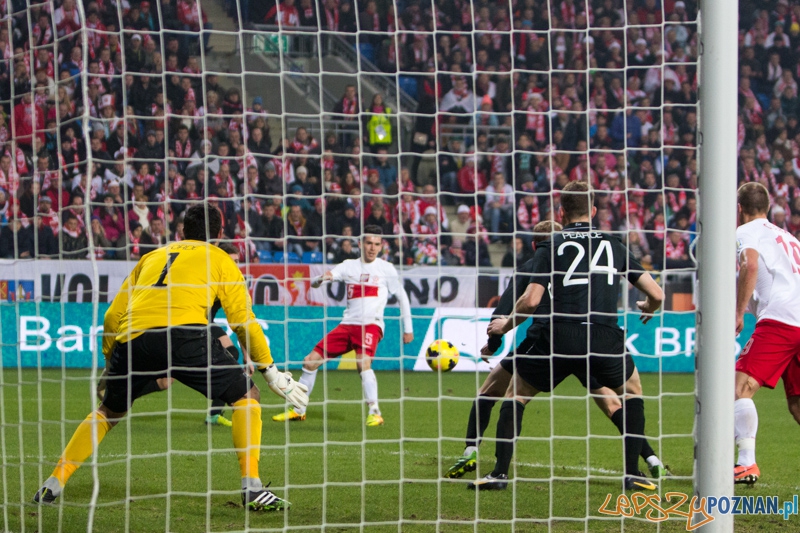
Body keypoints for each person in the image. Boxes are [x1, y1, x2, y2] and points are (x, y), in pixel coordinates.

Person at [34, 204, 308, 511]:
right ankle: (252, 488)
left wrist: (112, 359)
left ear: (182, 232)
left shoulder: (151, 257)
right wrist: (270, 372)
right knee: (247, 395)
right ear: (219, 234)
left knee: (108, 412)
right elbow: (243, 322)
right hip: (185, 336)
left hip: (132, 338)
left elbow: (112, 316)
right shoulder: (219, 258)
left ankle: (53, 483)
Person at [473, 182, 664, 491]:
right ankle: (632, 473)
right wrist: (649, 307)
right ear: (593, 210)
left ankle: (499, 475)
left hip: (558, 336)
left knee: (516, 395)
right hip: (603, 335)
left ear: (561, 212)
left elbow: (531, 301)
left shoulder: (552, 244)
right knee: (631, 392)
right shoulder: (614, 244)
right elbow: (657, 294)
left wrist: (505, 326)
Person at [272, 226, 413, 427]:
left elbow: (402, 297)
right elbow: (319, 281)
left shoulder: (386, 268)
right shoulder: (349, 266)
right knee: (310, 361)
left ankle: (375, 412)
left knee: (362, 363)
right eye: (369, 243)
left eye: (376, 244)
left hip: (371, 325)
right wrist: (322, 279)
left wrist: (408, 328)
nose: (372, 248)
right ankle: (298, 410)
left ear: (381, 246)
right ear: (360, 244)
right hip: (347, 325)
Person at [733, 182, 800, 486]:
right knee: (797, 403)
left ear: (739, 209)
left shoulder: (747, 231)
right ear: (768, 207)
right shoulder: (789, 237)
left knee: (738, 389)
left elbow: (750, 266)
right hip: (795, 317)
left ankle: (746, 463)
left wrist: (738, 312)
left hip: (781, 320)